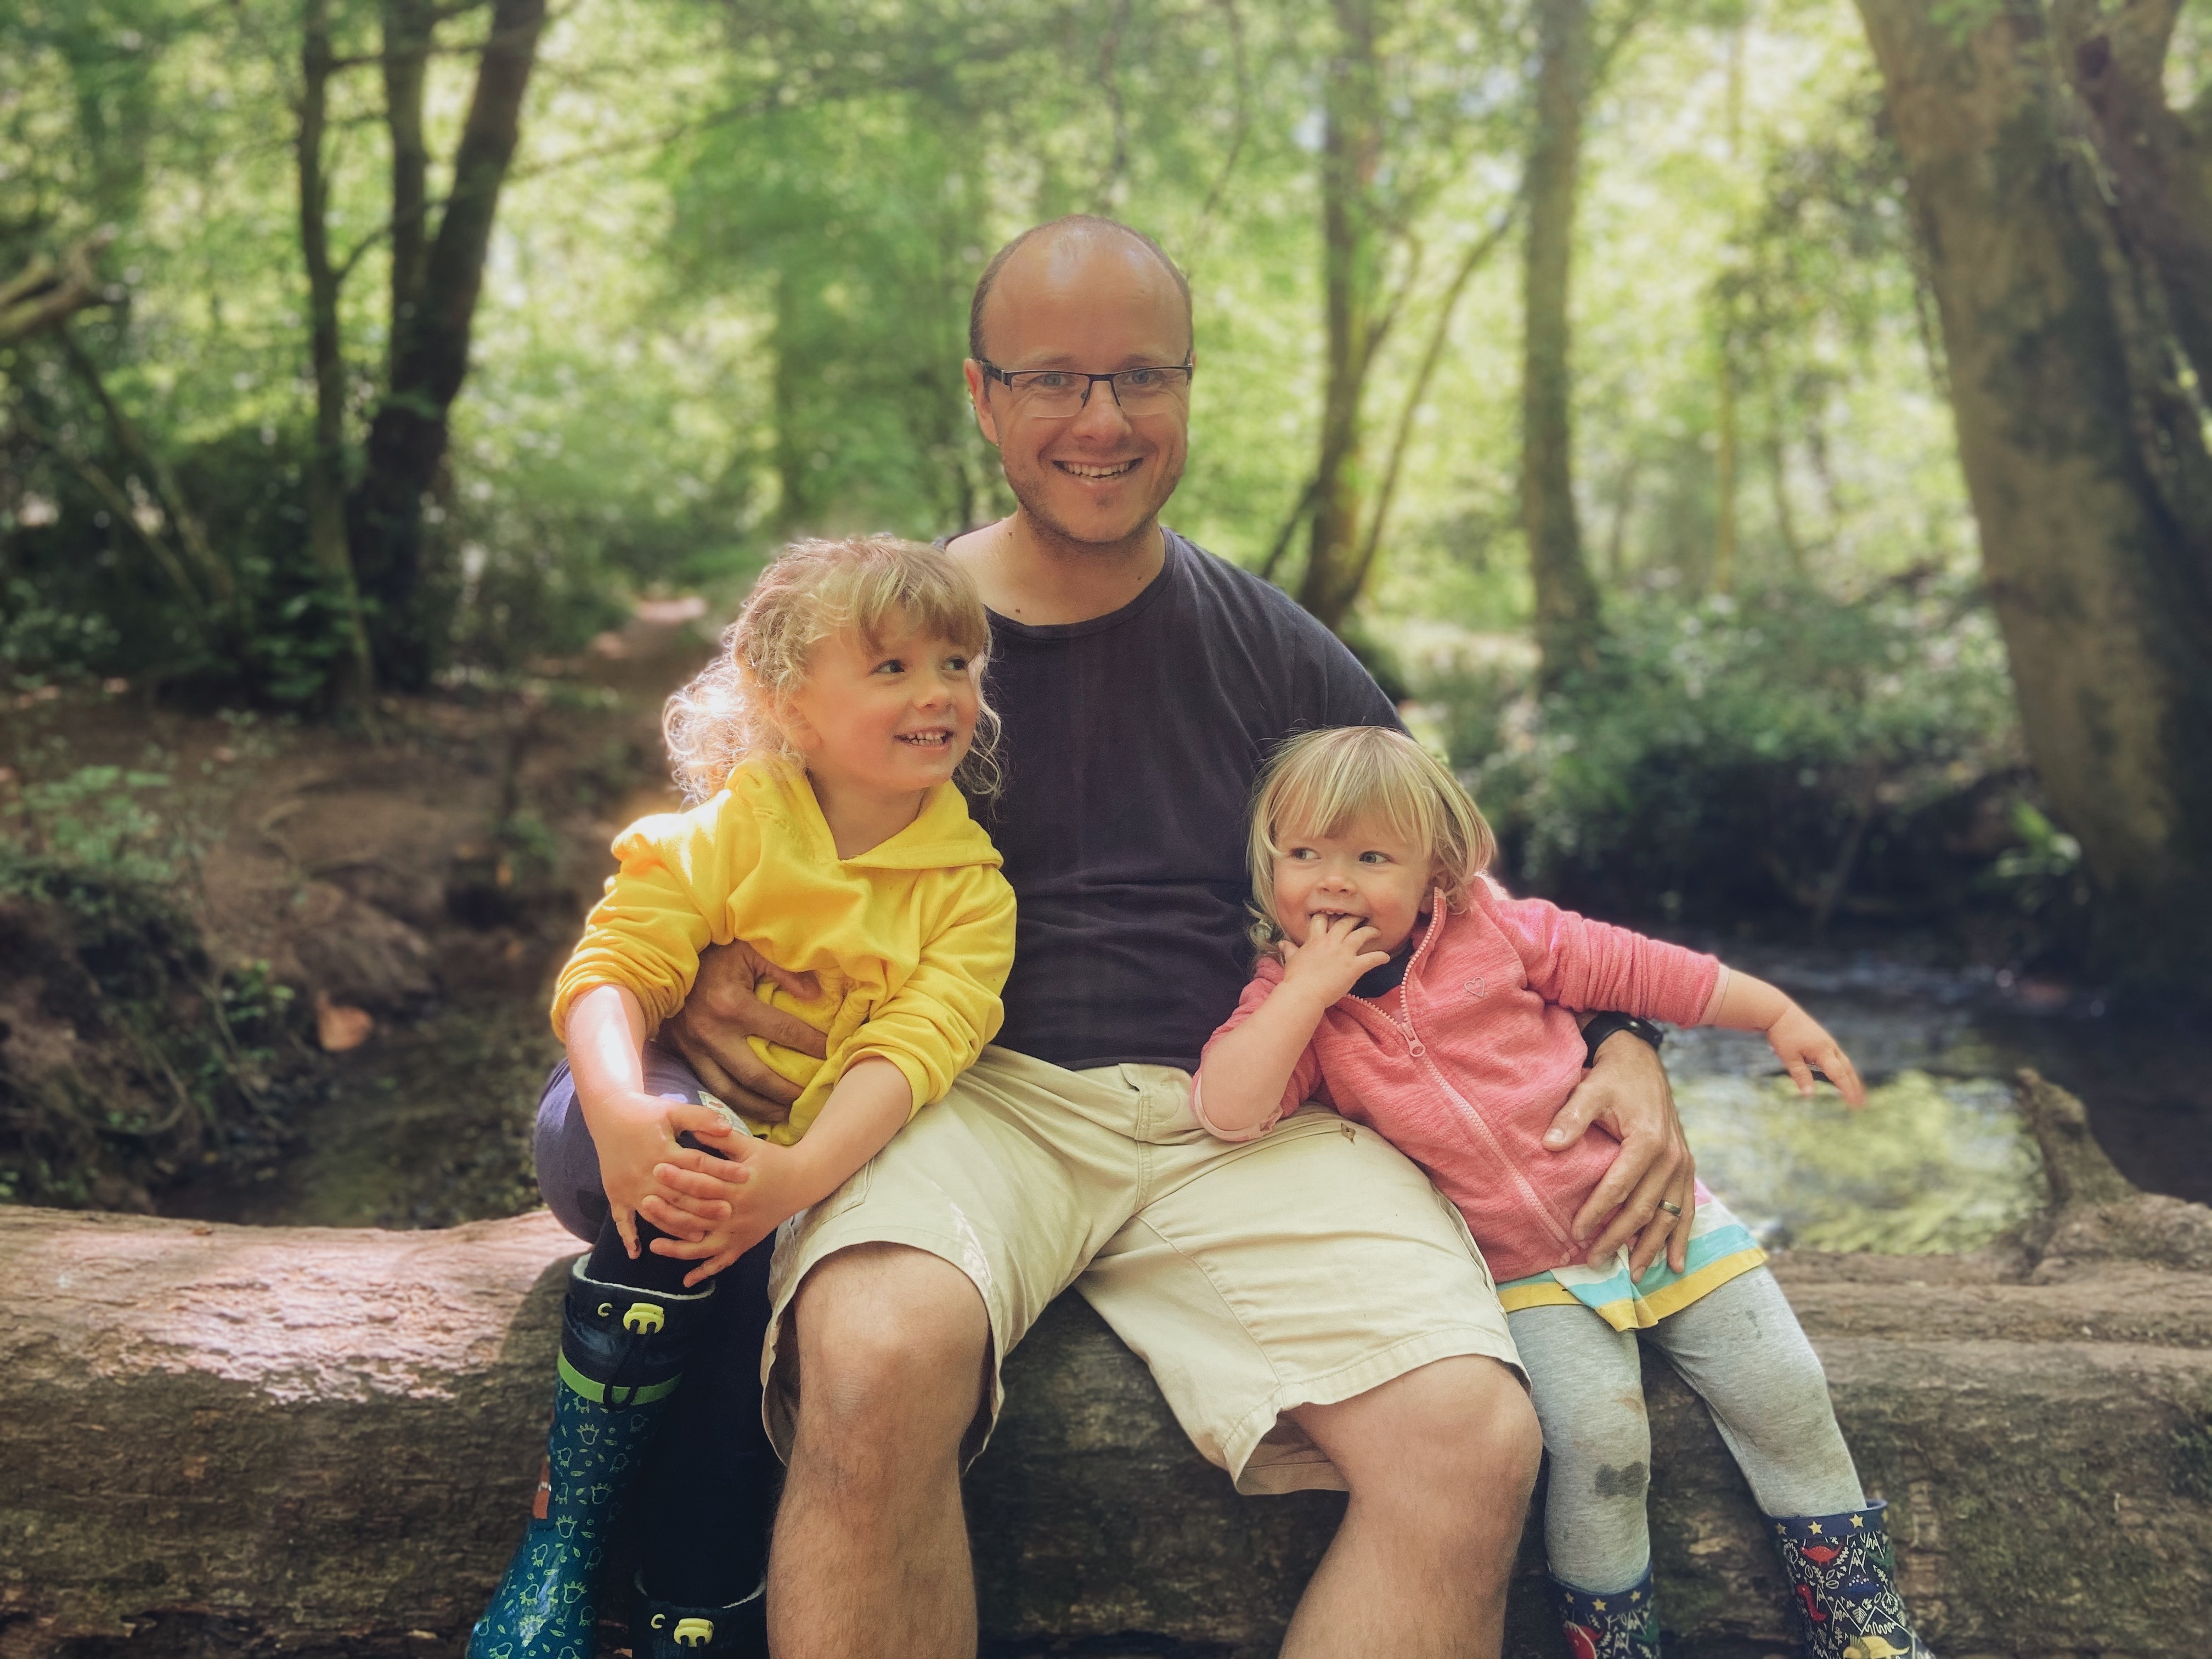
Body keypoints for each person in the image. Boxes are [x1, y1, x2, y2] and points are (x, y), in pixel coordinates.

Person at [643, 214, 1699, 1659]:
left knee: (1470, 1436)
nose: (1102, 419)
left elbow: (1466, 902)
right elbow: (708, 854)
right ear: (983, 398)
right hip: (962, 1096)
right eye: (1054, 381)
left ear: (1189, 390)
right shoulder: (884, 635)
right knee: (877, 1351)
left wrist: (1629, 1038)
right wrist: (695, 976)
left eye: (1143, 377)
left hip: (1244, 1109)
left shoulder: (1275, 649)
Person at [1193, 725, 1936, 1659]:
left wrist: (1775, 1014)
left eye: (1371, 857)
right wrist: (1304, 994)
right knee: (1598, 1447)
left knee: (1786, 1388)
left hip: (1658, 1222)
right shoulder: (1293, 1005)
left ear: (1437, 873)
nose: (1333, 882)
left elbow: (1645, 969)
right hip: (1523, 1278)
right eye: (1305, 855)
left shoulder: (1498, 932)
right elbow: (1227, 1109)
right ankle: (1615, 1643)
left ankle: (1865, 1626)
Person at [469, 535, 1017, 1659]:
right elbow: (614, 969)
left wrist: (797, 1181)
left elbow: (918, 1048)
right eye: (893, 668)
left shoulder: (969, 894)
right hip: (629, 1123)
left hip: (792, 1173)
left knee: (768, 1298)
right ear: (787, 701)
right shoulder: (736, 826)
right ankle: (561, 1547)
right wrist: (621, 1109)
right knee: (694, 1166)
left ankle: (691, 1600)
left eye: (956, 663)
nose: (938, 693)